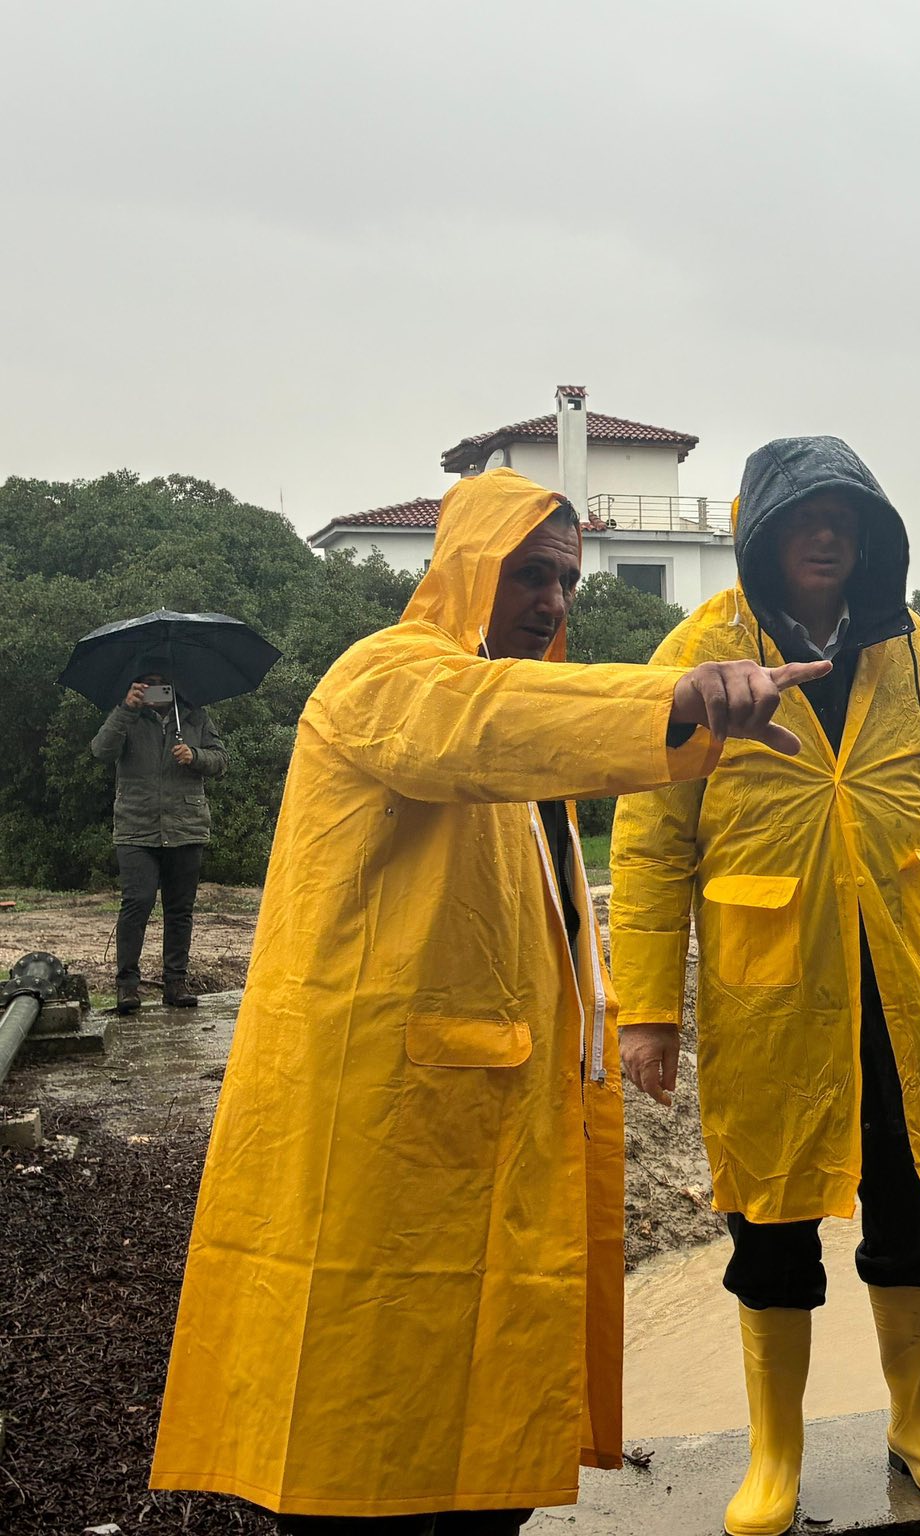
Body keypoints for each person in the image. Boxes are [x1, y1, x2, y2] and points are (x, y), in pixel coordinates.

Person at [149, 469, 828, 1532]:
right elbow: (475, 723)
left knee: (487, 1432)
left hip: (491, 1126)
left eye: (566, 581)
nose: (553, 601)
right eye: (528, 575)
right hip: (380, 1133)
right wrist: (679, 696)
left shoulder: (534, 735)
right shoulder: (387, 678)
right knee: (359, 1425)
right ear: (466, 568)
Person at [609, 436, 920, 1536]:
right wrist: (648, 1011)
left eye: (844, 520)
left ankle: (918, 1425)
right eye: (804, 519)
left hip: (906, 978)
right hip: (770, 992)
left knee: (912, 1205)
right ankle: (775, 1453)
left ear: (871, 539)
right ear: (759, 537)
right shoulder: (698, 655)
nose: (826, 536)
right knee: (771, 1219)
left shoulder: (916, 650)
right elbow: (651, 840)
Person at [91, 669, 226, 1012]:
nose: (153, 689)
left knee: (180, 909)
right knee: (137, 903)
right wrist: (126, 708)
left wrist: (195, 756)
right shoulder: (128, 716)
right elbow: (101, 750)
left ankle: (175, 983)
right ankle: (127, 986)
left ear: (173, 684)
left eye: (160, 683)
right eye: (146, 683)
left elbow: (221, 760)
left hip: (186, 825)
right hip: (136, 827)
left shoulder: (194, 716)